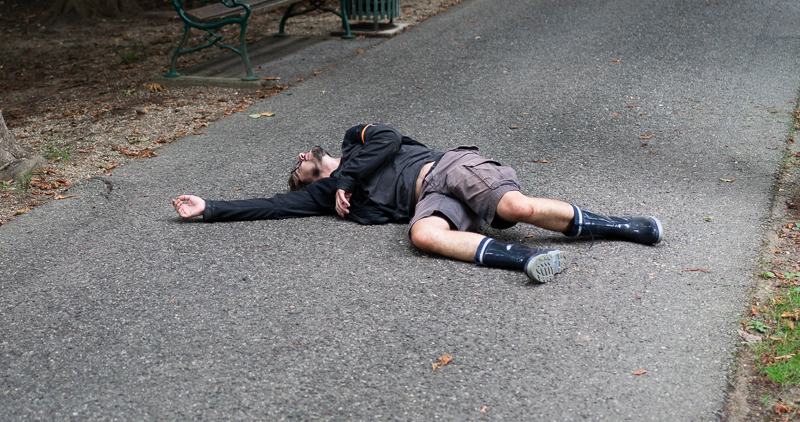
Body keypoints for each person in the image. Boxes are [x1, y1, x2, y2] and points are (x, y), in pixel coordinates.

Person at [172, 123, 662, 284]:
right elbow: (271, 205)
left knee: (517, 210)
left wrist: (348, 176)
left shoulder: (356, 140)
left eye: (302, 158)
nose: (302, 157)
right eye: (300, 168)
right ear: (311, 183)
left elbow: (389, 137)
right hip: (429, 199)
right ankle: (528, 259)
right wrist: (209, 207)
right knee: (422, 235)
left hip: (448, 167)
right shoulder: (327, 195)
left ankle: (620, 226)